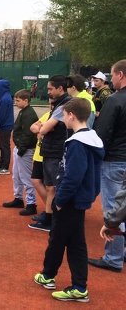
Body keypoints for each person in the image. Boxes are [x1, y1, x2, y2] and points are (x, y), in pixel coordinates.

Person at [33, 98, 103, 303]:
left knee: (57, 238)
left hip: (70, 200)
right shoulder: (92, 138)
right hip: (80, 199)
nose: (62, 118)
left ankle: (48, 275)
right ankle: (79, 285)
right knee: (75, 243)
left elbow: (73, 176)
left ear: (71, 115)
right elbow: (93, 174)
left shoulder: (77, 144)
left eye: (64, 114)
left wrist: (60, 200)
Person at [89, 59, 126, 272]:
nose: (111, 79)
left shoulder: (114, 100)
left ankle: (113, 258)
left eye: (112, 75)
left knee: (114, 208)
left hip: (115, 161)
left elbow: (103, 134)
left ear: (120, 75)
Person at [29, 75, 72, 232]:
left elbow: (45, 128)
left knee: (53, 187)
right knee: (49, 186)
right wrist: (43, 127)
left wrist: (42, 128)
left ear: (60, 88)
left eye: (50, 89)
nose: (48, 92)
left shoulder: (64, 105)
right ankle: (49, 216)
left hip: (56, 151)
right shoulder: (58, 104)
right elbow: (42, 127)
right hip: (50, 150)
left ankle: (54, 219)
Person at [2, 90, 38, 215]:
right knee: (16, 175)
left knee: (25, 177)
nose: (15, 102)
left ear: (26, 101)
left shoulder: (28, 114)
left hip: (25, 150)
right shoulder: (24, 112)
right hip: (20, 148)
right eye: (15, 100)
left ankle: (31, 203)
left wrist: (21, 149)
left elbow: (28, 134)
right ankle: (18, 198)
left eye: (18, 100)